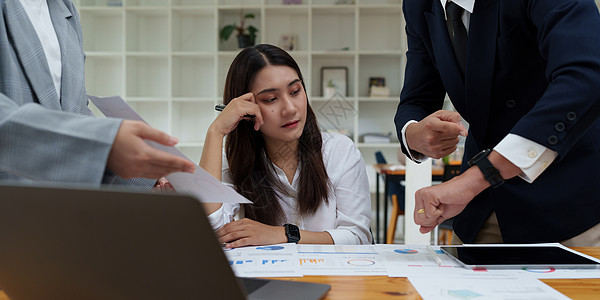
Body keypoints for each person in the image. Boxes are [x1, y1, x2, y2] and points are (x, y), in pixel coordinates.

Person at [395, 0, 600, 246]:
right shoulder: (418, 5)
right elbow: (417, 98)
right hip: (476, 211)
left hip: (568, 203)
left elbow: (586, 76)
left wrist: (478, 177)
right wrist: (413, 133)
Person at [0, 0, 195, 186]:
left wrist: (144, 178)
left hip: (54, 210)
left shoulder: (65, 10)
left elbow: (74, 113)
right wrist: (104, 143)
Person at [200, 44, 372, 247]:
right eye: (271, 99)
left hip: (329, 277)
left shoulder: (340, 151)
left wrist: (283, 235)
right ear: (245, 110)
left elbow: (358, 238)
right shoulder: (230, 162)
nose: (290, 109)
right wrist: (215, 132)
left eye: (295, 91)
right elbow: (209, 232)